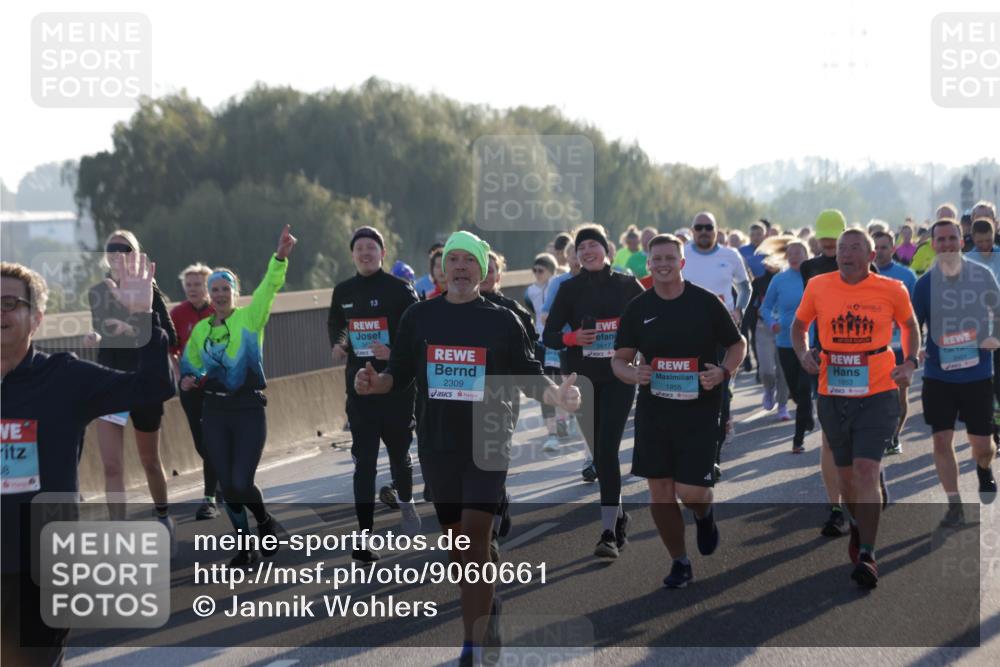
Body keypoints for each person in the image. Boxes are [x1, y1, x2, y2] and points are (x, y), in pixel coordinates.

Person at [355, 230, 581, 666]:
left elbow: (527, 373)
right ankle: (488, 608)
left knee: (477, 538)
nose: (460, 267)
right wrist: (374, 383)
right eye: (453, 260)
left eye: (469, 260)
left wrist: (558, 396)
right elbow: (398, 373)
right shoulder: (419, 317)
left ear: (482, 269)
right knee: (459, 550)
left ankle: (472, 645)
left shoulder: (502, 320)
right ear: (442, 270)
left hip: (488, 441)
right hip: (438, 444)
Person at [2, 259, 174, 667]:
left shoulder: (64, 378)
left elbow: (153, 386)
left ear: (37, 318)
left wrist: (142, 318)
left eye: (10, 303)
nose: (0, 313)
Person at [612, 234, 746, 588]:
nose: (662, 264)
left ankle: (704, 513)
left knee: (691, 492)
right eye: (656, 259)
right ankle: (679, 562)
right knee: (660, 491)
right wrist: (632, 374)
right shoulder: (638, 308)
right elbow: (620, 360)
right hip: (654, 411)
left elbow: (737, 344)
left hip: (699, 410)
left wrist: (724, 372)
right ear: (649, 264)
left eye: (669, 258)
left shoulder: (705, 302)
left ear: (681, 262)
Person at [792, 228, 920, 589]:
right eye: (842, 249)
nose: (846, 254)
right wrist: (803, 354)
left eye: (855, 248)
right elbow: (799, 326)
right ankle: (858, 524)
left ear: (871, 256)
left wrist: (910, 362)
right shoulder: (818, 286)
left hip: (878, 390)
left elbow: (909, 325)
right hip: (832, 391)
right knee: (846, 478)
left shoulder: (892, 288)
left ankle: (868, 553)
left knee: (867, 470)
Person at [180, 224, 297, 567]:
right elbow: (191, 365)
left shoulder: (250, 318)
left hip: (248, 409)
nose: (219, 295)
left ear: (234, 292)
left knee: (241, 482)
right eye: (213, 289)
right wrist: (189, 379)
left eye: (224, 289)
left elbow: (269, 288)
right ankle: (245, 547)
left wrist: (279, 258)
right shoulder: (201, 331)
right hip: (214, 411)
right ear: (208, 294)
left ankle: (264, 521)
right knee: (227, 487)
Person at [544, 223, 644, 557]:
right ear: (575, 255)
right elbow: (549, 336)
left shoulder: (627, 285)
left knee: (606, 449)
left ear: (607, 249)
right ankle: (619, 516)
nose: (587, 252)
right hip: (583, 382)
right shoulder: (569, 289)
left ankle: (608, 534)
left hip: (618, 378)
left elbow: (651, 322)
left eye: (593, 245)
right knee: (600, 455)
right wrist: (572, 338)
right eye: (581, 247)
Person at [328, 227, 420, 561]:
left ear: (382, 253)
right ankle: (364, 536)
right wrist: (339, 344)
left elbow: (417, 333)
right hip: (360, 388)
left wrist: (393, 351)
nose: (365, 253)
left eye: (371, 247)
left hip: (396, 388)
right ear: (352, 255)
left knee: (399, 456)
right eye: (359, 249)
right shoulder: (343, 291)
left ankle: (407, 505)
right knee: (364, 464)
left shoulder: (400, 290)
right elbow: (338, 324)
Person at [85, 230, 177, 533]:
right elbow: (103, 329)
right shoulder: (98, 291)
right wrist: (96, 337)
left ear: (136, 254)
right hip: (110, 381)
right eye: (111, 248)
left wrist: (133, 328)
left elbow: (170, 337)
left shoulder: (149, 289)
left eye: (124, 248)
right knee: (112, 466)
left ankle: (162, 516)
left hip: (144, 381)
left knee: (150, 460)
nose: (117, 253)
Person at [912, 218, 998, 526]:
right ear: (933, 244)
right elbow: (912, 326)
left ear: (962, 242)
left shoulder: (982, 275)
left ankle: (984, 468)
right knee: (941, 440)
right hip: (939, 376)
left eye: (952, 238)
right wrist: (915, 350)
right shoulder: (924, 285)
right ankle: (954, 503)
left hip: (977, 374)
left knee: (982, 446)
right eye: (941, 239)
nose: (947, 244)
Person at [680, 212, 752, 475]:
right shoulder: (683, 253)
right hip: (685, 334)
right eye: (698, 227)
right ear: (692, 230)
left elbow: (745, 287)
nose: (703, 232)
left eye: (708, 227)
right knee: (687, 394)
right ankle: (687, 452)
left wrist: (739, 310)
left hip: (721, 333)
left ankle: (713, 457)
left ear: (716, 230)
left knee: (719, 397)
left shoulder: (730, 255)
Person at [169, 263, 218, 520]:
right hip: (190, 387)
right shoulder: (177, 314)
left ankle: (209, 498)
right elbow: (172, 349)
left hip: (215, 385)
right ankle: (220, 476)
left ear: (207, 287)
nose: (192, 289)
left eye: (197, 285)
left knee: (211, 438)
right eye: (188, 285)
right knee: (200, 442)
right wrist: (179, 376)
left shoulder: (218, 311)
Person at [761, 238, 814, 452]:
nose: (794, 257)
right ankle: (806, 411)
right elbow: (765, 307)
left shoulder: (815, 278)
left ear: (807, 255)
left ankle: (797, 440)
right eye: (790, 253)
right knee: (796, 392)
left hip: (810, 342)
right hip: (785, 341)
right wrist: (772, 323)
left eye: (798, 252)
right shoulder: (779, 279)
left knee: (803, 388)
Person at [872, 231, 917, 456]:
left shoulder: (906, 276)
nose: (879, 252)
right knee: (876, 397)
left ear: (893, 249)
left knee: (899, 395)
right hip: (873, 348)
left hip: (899, 345)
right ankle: (876, 435)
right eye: (876, 248)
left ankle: (895, 436)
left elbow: (916, 314)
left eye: (884, 247)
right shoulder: (864, 274)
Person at [750, 236, 791, 418]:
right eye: (768, 258)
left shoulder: (788, 280)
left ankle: (782, 406)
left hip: (785, 329)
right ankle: (769, 388)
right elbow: (751, 309)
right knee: (766, 370)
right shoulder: (758, 282)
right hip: (764, 328)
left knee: (783, 370)